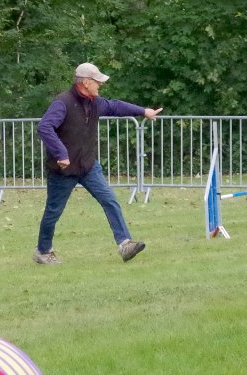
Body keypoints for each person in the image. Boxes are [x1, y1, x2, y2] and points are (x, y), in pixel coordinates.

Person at [33, 62, 163, 265]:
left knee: (110, 200)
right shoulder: (63, 102)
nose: (100, 85)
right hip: (63, 170)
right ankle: (43, 251)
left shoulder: (95, 102)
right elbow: (45, 127)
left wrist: (143, 111)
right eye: (97, 81)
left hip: (88, 166)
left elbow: (115, 106)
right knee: (53, 212)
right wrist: (61, 153)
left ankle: (125, 244)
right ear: (85, 82)